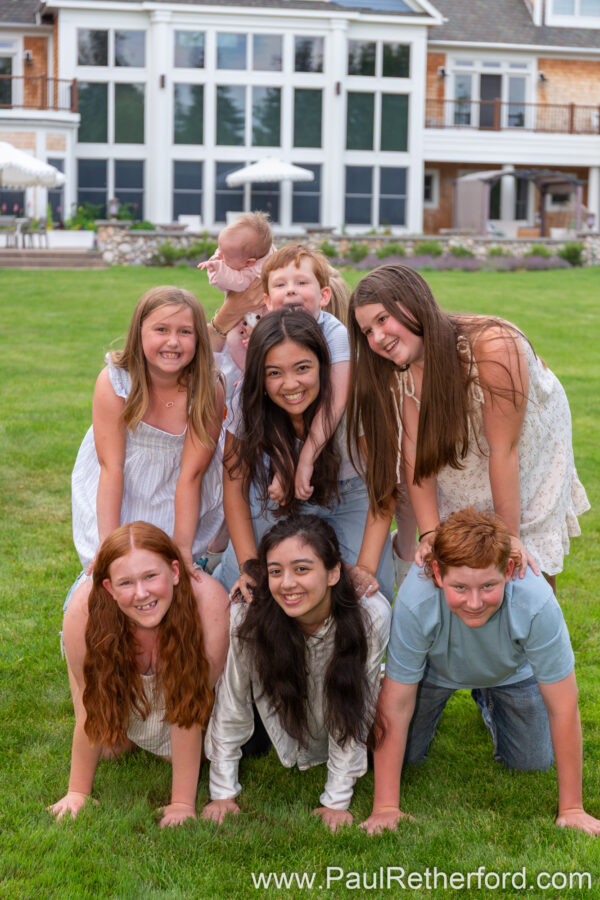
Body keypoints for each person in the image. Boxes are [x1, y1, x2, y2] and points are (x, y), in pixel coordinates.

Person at [347, 264, 589, 595]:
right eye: (367, 331)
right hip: (457, 435)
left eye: (382, 319)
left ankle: (536, 627)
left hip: (523, 441)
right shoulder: (400, 369)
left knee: (524, 554)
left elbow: (504, 450)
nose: (376, 338)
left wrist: (509, 539)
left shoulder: (494, 346)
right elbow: (418, 457)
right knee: (457, 543)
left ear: (414, 303)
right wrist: (430, 534)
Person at [361, 508, 600, 838]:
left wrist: (572, 808)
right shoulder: (415, 600)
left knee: (532, 762)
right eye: (460, 587)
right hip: (433, 672)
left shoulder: (536, 600)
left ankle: (488, 700)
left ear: (509, 569)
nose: (474, 602)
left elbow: (562, 704)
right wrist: (385, 808)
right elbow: (397, 704)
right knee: (400, 758)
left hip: (511, 673)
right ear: (437, 574)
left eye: (488, 585)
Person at [69, 285, 229, 670]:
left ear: (198, 339)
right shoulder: (115, 382)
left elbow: (191, 475)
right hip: (122, 485)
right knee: (118, 577)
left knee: (172, 576)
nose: (172, 341)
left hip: (180, 491)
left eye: (185, 332)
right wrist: (109, 548)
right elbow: (112, 468)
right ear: (139, 332)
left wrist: (183, 547)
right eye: (161, 330)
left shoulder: (209, 387)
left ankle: (170, 661)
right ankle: (110, 657)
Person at [202, 515, 391, 831]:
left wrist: (335, 801)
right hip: (273, 717)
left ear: (333, 573)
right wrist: (222, 794)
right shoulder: (247, 613)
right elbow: (231, 702)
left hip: (338, 716)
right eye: (275, 572)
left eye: (301, 569)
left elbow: (357, 709)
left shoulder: (370, 616)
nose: (287, 583)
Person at [215, 308, 394, 603]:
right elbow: (234, 488)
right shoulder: (246, 402)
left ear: (323, 366)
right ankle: (220, 566)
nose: (290, 384)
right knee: (244, 591)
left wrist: (365, 567)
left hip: (349, 495)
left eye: (302, 368)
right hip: (274, 495)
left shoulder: (352, 399)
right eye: (274, 373)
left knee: (368, 596)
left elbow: (382, 486)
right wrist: (250, 564)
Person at [49, 522, 216, 828]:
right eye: (126, 583)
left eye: (151, 576)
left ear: (175, 572)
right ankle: (128, 733)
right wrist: (77, 792)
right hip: (115, 669)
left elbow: (187, 704)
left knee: (199, 752)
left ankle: (141, 734)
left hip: (196, 695)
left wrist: (181, 803)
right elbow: (92, 705)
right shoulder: (82, 613)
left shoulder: (208, 604)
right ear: (110, 588)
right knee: (109, 745)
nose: (141, 594)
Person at [261, 244, 350, 503]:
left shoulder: (335, 333)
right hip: (280, 433)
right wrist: (283, 464)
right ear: (267, 301)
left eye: (301, 282)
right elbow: (262, 403)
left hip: (331, 435)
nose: (290, 289)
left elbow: (336, 400)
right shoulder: (266, 335)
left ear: (324, 296)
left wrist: (306, 460)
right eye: (280, 285)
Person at [198, 211, 274, 293]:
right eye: (220, 249)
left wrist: (216, 267)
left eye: (226, 256)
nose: (219, 255)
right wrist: (214, 259)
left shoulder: (255, 272)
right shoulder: (254, 251)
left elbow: (238, 283)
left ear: (249, 262)